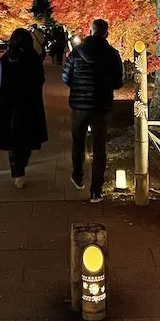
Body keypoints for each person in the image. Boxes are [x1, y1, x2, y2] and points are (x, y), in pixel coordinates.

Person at [62, 19, 124, 202]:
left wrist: (78, 86)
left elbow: (66, 78)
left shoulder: (76, 53)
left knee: (78, 142)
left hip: (79, 105)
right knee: (99, 148)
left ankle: (78, 175)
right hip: (101, 105)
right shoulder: (112, 54)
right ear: (106, 33)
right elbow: (118, 82)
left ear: (90, 31)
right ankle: (96, 190)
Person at [0, 28, 48, 188]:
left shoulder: (4, 59)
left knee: (13, 139)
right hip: (30, 103)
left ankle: (18, 173)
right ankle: (21, 166)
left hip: (9, 104)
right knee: (28, 138)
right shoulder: (34, 59)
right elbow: (40, 79)